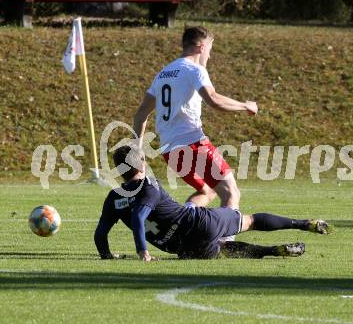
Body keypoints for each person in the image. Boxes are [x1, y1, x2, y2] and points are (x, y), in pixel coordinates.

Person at [94, 145, 329, 261]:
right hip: (200, 224)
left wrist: (107, 256)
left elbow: (100, 234)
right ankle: (302, 224)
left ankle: (272, 252)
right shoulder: (149, 185)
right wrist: (142, 251)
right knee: (250, 221)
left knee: (224, 250)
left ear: (119, 170)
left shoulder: (114, 197)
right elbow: (138, 216)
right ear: (142, 164)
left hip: (181, 248)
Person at [133, 26, 258, 211]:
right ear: (201, 47)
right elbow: (213, 100)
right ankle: (225, 240)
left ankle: (185, 227)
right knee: (231, 192)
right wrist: (245, 105)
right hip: (192, 144)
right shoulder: (195, 70)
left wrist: (137, 148)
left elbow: (141, 113)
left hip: (170, 150)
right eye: (210, 50)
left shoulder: (162, 74)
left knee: (206, 191)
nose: (210, 56)